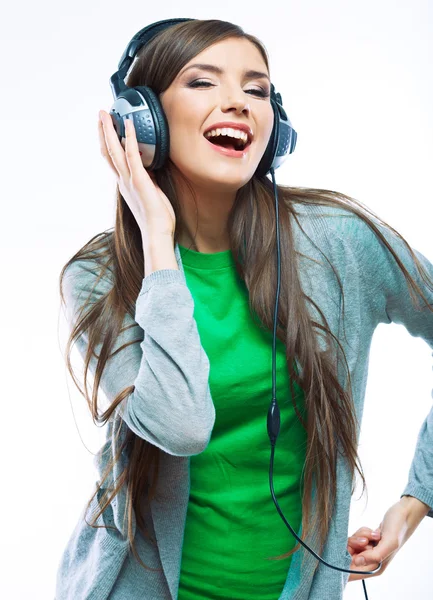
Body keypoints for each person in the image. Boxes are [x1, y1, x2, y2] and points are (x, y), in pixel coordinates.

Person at [55, 18, 433, 600]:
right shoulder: (100, 278)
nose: (237, 103)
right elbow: (180, 426)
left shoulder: (337, 242)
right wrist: (159, 242)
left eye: (256, 90)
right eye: (202, 83)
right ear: (142, 119)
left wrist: (417, 500)